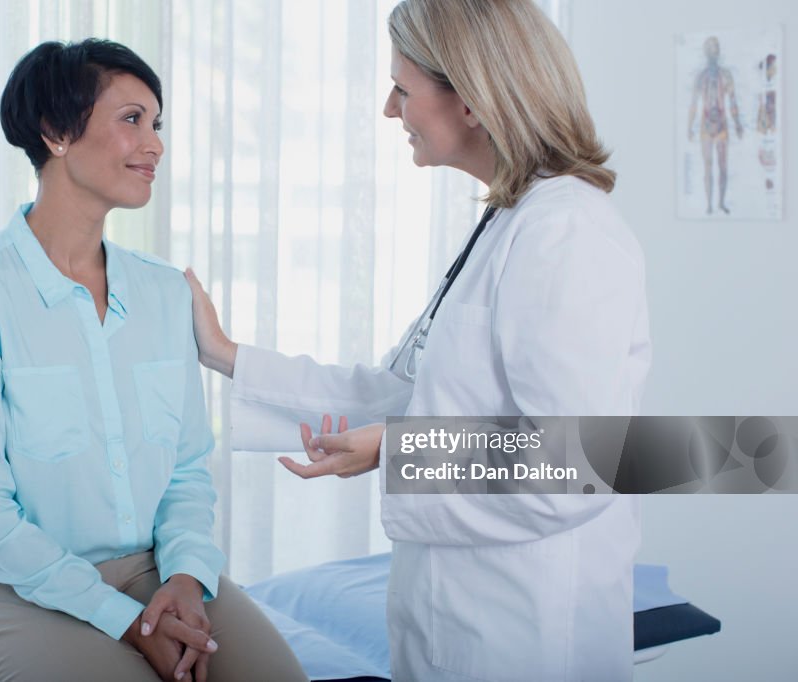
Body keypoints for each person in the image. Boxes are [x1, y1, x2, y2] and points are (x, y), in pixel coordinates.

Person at [186, 1, 651, 680]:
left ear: (470, 100)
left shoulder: (567, 233)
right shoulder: (506, 220)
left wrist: (400, 448)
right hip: (455, 619)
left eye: (403, 88)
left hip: (528, 634)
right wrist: (222, 353)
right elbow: (398, 390)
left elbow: (574, 462)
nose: (388, 109)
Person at [0, 39, 307, 682]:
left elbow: (184, 470)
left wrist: (184, 578)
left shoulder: (161, 292)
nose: (154, 144)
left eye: (156, 124)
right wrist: (121, 620)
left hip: (152, 567)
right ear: (56, 133)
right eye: (131, 120)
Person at [687, 36, 744, 215]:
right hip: (706, 126)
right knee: (708, 166)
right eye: (711, 48)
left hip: (721, 126)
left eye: (716, 47)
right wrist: (689, 126)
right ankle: (709, 204)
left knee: (723, 166)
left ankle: (720, 203)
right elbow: (694, 104)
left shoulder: (726, 75)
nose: (714, 51)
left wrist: (737, 124)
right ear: (706, 52)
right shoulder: (700, 77)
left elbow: (733, 102)